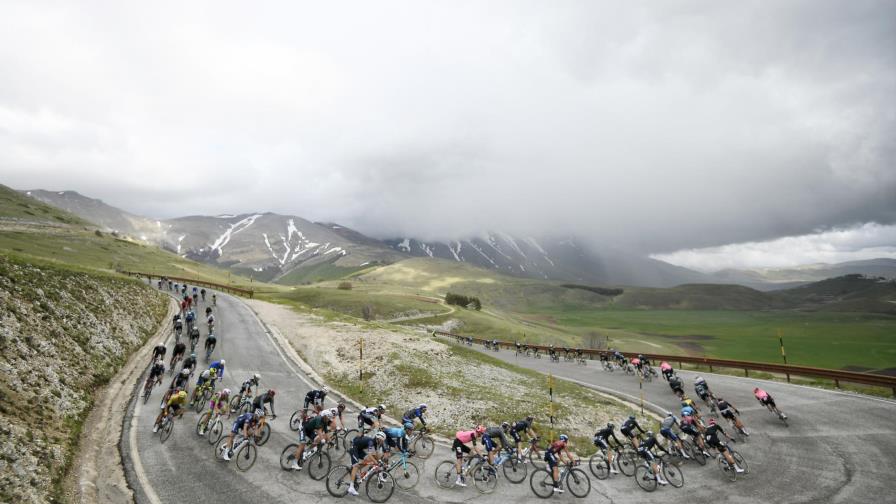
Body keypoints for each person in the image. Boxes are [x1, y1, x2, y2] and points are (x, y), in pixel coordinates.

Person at [347, 431, 387, 496]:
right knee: (356, 466)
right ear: (378, 439)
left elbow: (376, 454)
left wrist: (380, 461)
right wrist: (376, 462)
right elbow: (370, 454)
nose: (383, 442)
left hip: (359, 449)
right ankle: (351, 488)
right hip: (354, 447)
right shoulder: (371, 442)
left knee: (368, 460)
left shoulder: (376, 443)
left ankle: (355, 471)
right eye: (382, 440)